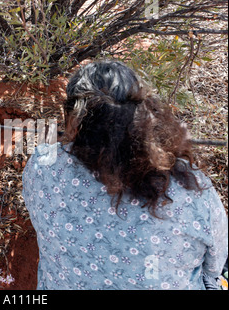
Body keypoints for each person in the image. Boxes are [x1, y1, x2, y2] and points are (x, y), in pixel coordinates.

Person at [22, 60, 228, 290]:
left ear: (73, 121)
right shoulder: (190, 189)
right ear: (146, 113)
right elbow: (214, 267)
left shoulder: (42, 164)